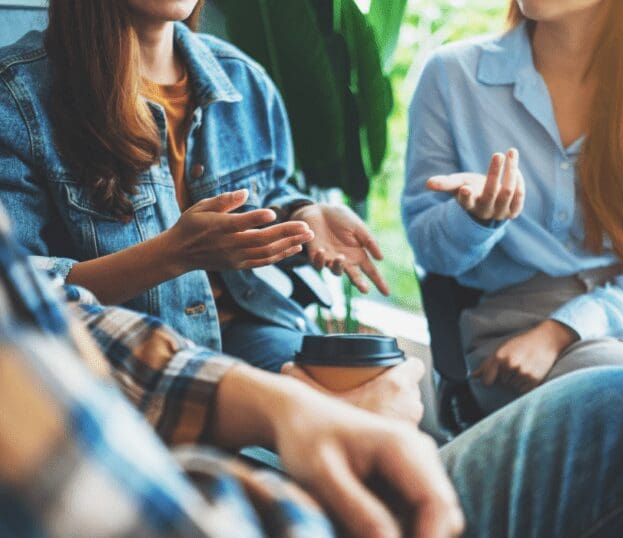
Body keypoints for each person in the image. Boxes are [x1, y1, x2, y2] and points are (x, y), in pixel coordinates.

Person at [1, 203, 623, 537]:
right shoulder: (24, 88)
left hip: (268, 396)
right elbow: (437, 256)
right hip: (214, 465)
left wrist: (280, 405)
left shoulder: (238, 77)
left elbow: (47, 312)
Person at [402, 0, 623, 465]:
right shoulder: (453, 77)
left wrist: (561, 332)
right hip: (514, 349)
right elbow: (430, 253)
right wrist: (476, 219)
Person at [0, 0, 389, 373]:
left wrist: (302, 214)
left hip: (251, 331)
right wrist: (174, 254)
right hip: (121, 354)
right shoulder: (18, 95)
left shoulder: (242, 78)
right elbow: (17, 291)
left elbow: (270, 192)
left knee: (378, 395)